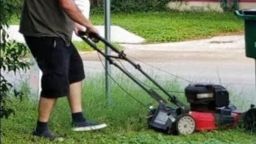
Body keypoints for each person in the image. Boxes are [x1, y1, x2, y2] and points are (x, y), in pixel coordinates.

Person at [19, 0, 107, 140]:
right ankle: (41, 129)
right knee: (55, 78)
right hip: (45, 32)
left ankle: (78, 119)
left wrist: (76, 24)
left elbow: (54, 6)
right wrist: (88, 25)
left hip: (54, 32)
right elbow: (66, 4)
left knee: (74, 70)